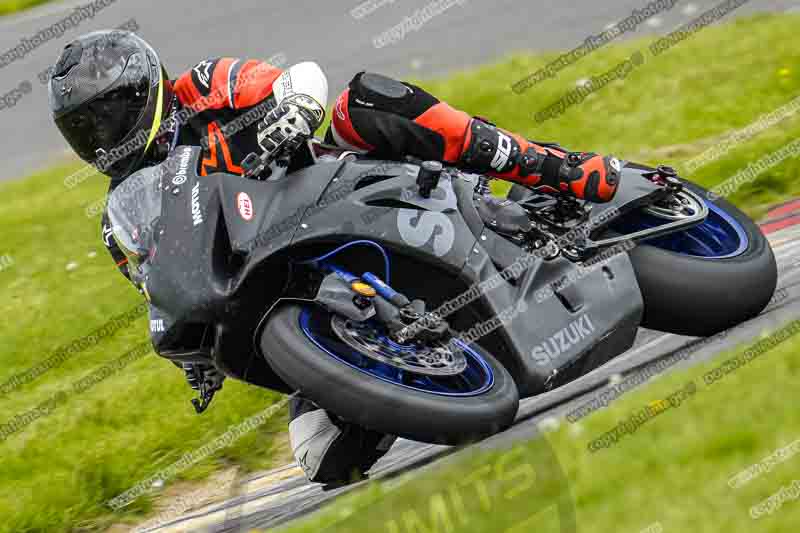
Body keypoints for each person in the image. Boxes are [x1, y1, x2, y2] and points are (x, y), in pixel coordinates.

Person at [48, 30, 621, 484]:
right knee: (324, 459)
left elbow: (294, 79)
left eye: (109, 115)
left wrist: (291, 109)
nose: (102, 137)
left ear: (146, 92)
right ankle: (400, 373)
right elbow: (163, 286)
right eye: (84, 129)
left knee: (364, 101)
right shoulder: (121, 218)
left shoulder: (204, 88)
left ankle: (556, 168)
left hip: (341, 191)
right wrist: (192, 357)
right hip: (285, 291)